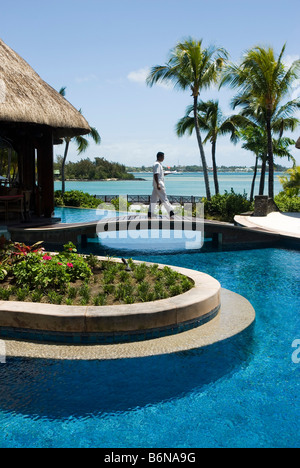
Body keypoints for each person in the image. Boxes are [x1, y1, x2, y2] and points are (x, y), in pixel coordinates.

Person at [148, 152, 174, 219]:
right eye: (163, 157)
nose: (163, 158)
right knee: (164, 198)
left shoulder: (158, 164)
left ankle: (150, 213)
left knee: (153, 199)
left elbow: (160, 174)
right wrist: (158, 184)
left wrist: (168, 173)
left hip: (156, 184)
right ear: (159, 157)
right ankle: (171, 212)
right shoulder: (157, 164)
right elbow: (156, 175)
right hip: (159, 184)